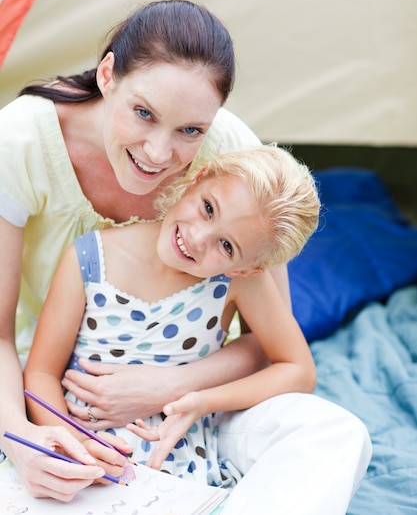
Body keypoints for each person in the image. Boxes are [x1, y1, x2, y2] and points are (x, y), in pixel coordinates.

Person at [0, 0, 371, 511]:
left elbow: (273, 345)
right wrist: (20, 437)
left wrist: (174, 388)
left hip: (201, 405)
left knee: (336, 433)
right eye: (143, 113)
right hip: (45, 399)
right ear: (108, 74)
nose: (158, 153)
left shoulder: (233, 160)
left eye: (190, 131)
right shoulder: (20, 143)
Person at [24, 145, 320, 491]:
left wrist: (202, 400)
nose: (197, 238)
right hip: (82, 451)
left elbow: (299, 370)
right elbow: (41, 372)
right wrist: (79, 447)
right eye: (208, 208)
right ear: (198, 179)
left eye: (227, 246)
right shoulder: (90, 257)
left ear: (246, 268)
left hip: (179, 466)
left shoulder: (239, 283)